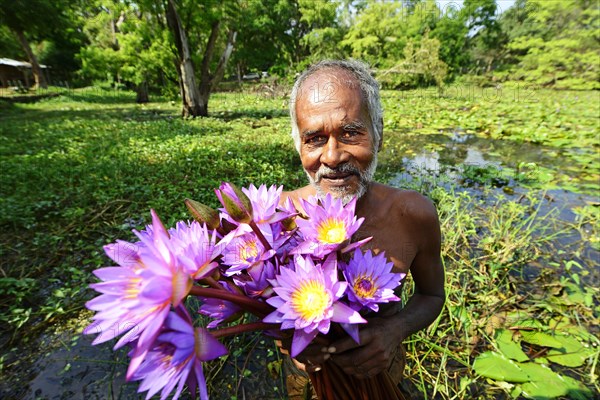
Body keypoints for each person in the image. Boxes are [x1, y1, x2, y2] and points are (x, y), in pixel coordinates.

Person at [279, 59, 445, 398]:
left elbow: (432, 295)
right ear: (299, 146)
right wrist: (289, 345)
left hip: (383, 376)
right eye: (314, 138)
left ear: (379, 133)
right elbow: (261, 306)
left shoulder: (413, 214)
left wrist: (393, 330)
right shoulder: (278, 218)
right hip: (307, 383)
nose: (333, 156)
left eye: (350, 133)